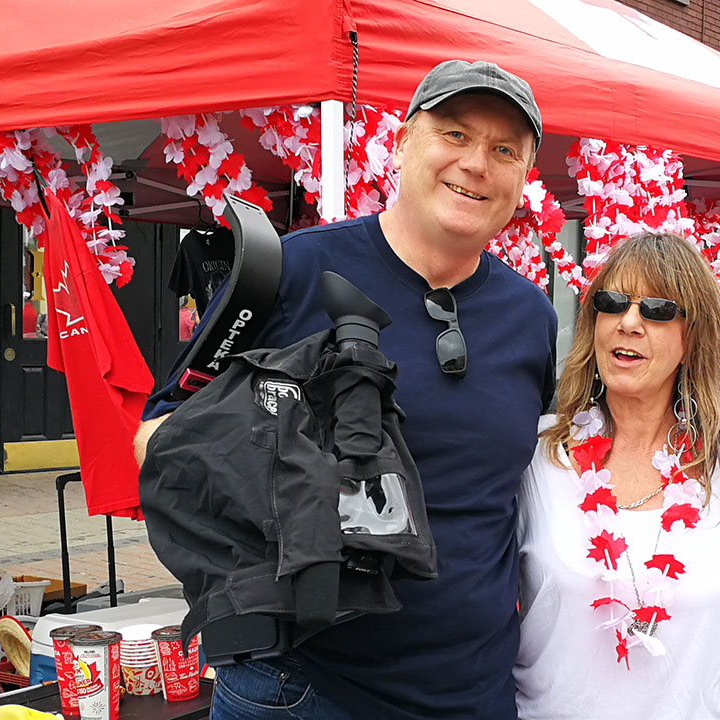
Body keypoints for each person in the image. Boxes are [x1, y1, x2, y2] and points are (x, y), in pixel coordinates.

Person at [134, 60, 557, 719]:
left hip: (475, 690)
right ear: (401, 143)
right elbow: (156, 441)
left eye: (504, 149)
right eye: (453, 133)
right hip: (303, 690)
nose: (477, 163)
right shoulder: (295, 272)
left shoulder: (532, 317)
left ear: (523, 177)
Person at [515, 232, 720, 718]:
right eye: (613, 302)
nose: (629, 321)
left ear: (694, 338)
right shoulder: (538, 455)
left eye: (658, 309)